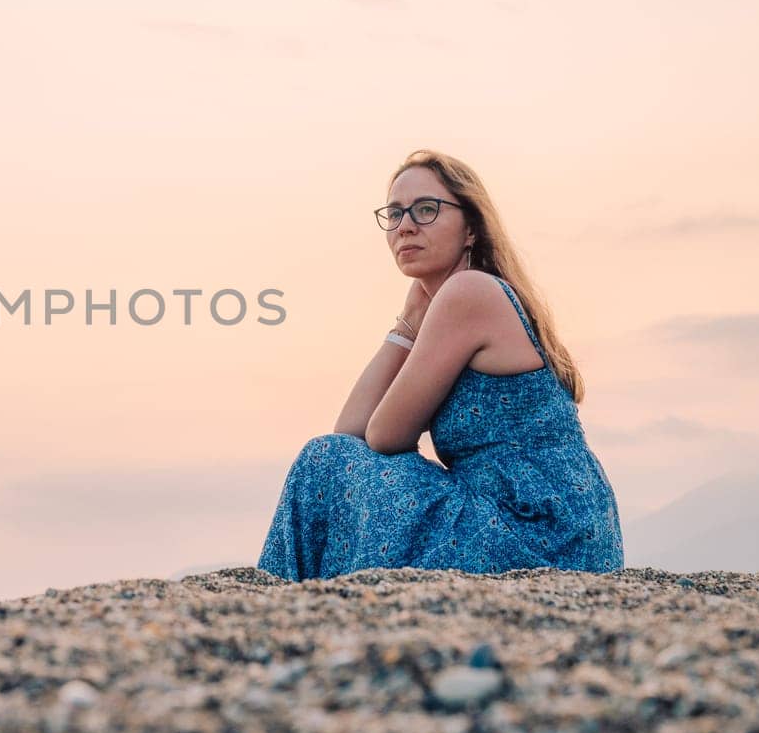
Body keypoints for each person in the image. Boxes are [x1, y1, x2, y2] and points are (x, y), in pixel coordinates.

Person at [257, 149, 625, 581]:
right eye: (394, 214)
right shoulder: (463, 298)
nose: (405, 226)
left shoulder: (470, 292)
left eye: (426, 210)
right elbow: (350, 430)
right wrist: (407, 323)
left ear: (471, 228)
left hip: (538, 529)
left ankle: (284, 614)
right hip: (544, 523)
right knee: (327, 456)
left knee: (322, 460)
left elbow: (382, 434)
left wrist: (412, 324)